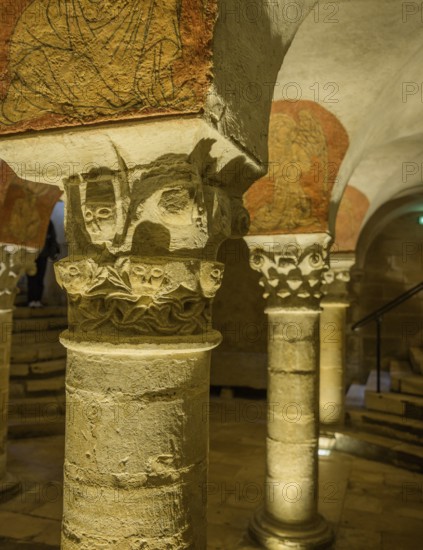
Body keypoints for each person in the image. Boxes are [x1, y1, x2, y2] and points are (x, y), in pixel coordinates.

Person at [27, 220, 60, 307]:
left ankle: (37, 299)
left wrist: (52, 253)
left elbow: (52, 238)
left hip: (43, 254)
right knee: (32, 277)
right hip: (31, 254)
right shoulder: (31, 220)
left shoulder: (48, 222)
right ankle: (31, 300)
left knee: (40, 277)